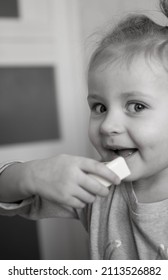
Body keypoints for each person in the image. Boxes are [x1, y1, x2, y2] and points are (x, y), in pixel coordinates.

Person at [1, 0, 168, 259]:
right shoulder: (94, 188)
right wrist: (31, 174)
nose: (108, 126)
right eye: (99, 107)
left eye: (136, 106)